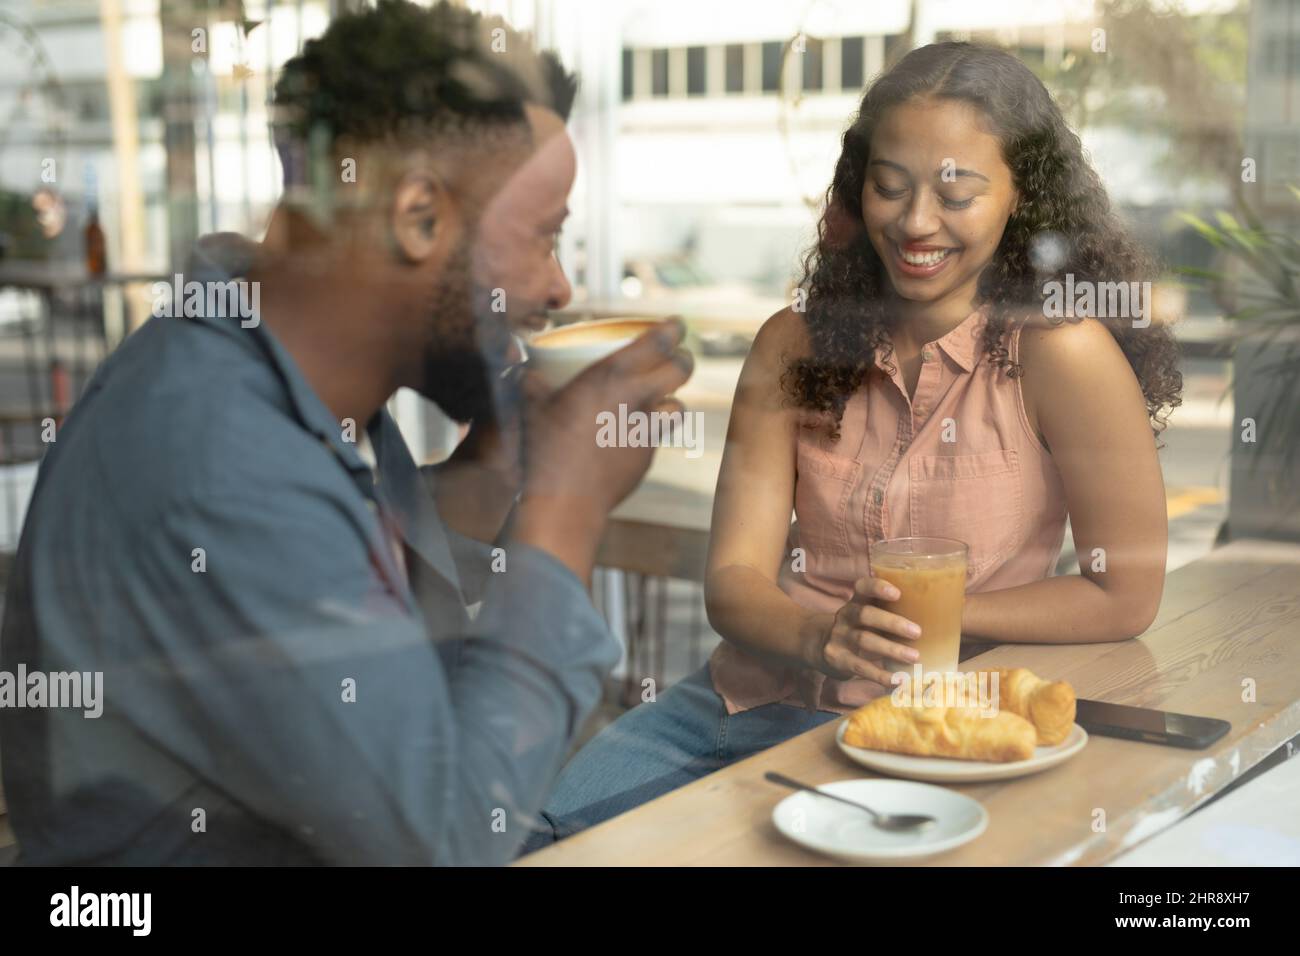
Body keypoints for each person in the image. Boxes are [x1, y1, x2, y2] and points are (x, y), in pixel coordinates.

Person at [0, 0, 692, 865]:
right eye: (546, 238)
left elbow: (362, 613)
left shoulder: (295, 379)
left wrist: (496, 473)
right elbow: (445, 839)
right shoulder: (223, 460)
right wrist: (567, 506)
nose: (557, 289)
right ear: (418, 217)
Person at [521, 41, 1181, 852]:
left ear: (1022, 196)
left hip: (935, 734)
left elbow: (1126, 595)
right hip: (741, 706)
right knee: (537, 842)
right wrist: (822, 637)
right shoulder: (792, 344)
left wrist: (923, 625)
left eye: (956, 192)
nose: (915, 222)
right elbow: (733, 580)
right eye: (889, 186)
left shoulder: (1059, 353)